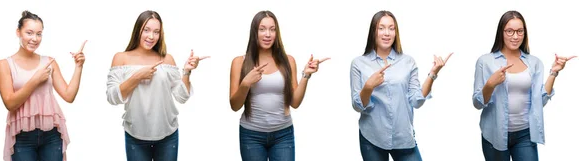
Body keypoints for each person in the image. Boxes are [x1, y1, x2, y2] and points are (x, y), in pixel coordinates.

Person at [473, 10, 576, 161]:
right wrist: (491, 83)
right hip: (494, 134)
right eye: (509, 31)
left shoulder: (534, 62)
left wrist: (554, 73)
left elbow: (540, 101)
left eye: (519, 31)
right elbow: (477, 103)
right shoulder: (485, 61)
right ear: (501, 32)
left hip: (525, 134)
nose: (515, 36)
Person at [349, 10, 452, 161]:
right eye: (381, 28)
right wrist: (368, 87)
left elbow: (416, 100)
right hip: (372, 137)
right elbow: (358, 106)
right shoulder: (358, 64)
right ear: (373, 31)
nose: (387, 33)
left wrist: (433, 74)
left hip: (403, 137)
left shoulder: (408, 62)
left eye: (391, 28)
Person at [106, 10, 207, 161]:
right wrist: (137, 77)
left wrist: (186, 72)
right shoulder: (121, 58)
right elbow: (112, 97)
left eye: (156, 32)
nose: (151, 36)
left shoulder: (167, 59)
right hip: (135, 135)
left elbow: (181, 96)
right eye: (146, 30)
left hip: (168, 135)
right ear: (137, 30)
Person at [229, 10, 329, 161]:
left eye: (272, 29)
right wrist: (246, 83)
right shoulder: (239, 62)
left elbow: (295, 103)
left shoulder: (288, 61)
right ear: (254, 32)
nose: (267, 34)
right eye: (262, 29)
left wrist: (306, 75)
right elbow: (234, 106)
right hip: (251, 135)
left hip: (283, 135)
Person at [0, 10, 86, 161]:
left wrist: (78, 67)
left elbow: (69, 96)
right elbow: (10, 103)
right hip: (22, 137)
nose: (34, 39)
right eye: (29, 33)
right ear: (18, 32)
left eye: (39, 34)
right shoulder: (5, 65)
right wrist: (35, 80)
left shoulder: (49, 62)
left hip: (51, 136)